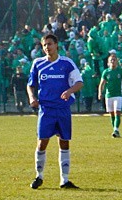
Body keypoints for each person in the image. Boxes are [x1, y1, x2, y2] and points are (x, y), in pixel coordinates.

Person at [27, 34, 83, 190]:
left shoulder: (66, 63)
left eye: (49, 44)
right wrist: (32, 97)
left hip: (63, 109)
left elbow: (79, 82)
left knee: (64, 142)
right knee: (42, 142)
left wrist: (69, 91)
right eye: (44, 45)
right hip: (46, 110)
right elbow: (30, 85)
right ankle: (39, 176)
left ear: (56, 45)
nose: (47, 48)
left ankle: (64, 180)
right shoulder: (38, 64)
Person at [97, 52, 122, 138]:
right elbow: (101, 84)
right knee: (111, 114)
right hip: (109, 95)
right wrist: (100, 93)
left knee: (117, 112)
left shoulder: (120, 71)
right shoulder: (106, 72)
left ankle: (116, 129)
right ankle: (115, 129)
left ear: (117, 62)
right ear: (108, 62)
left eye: (114, 60)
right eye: (111, 60)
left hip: (118, 95)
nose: (113, 61)